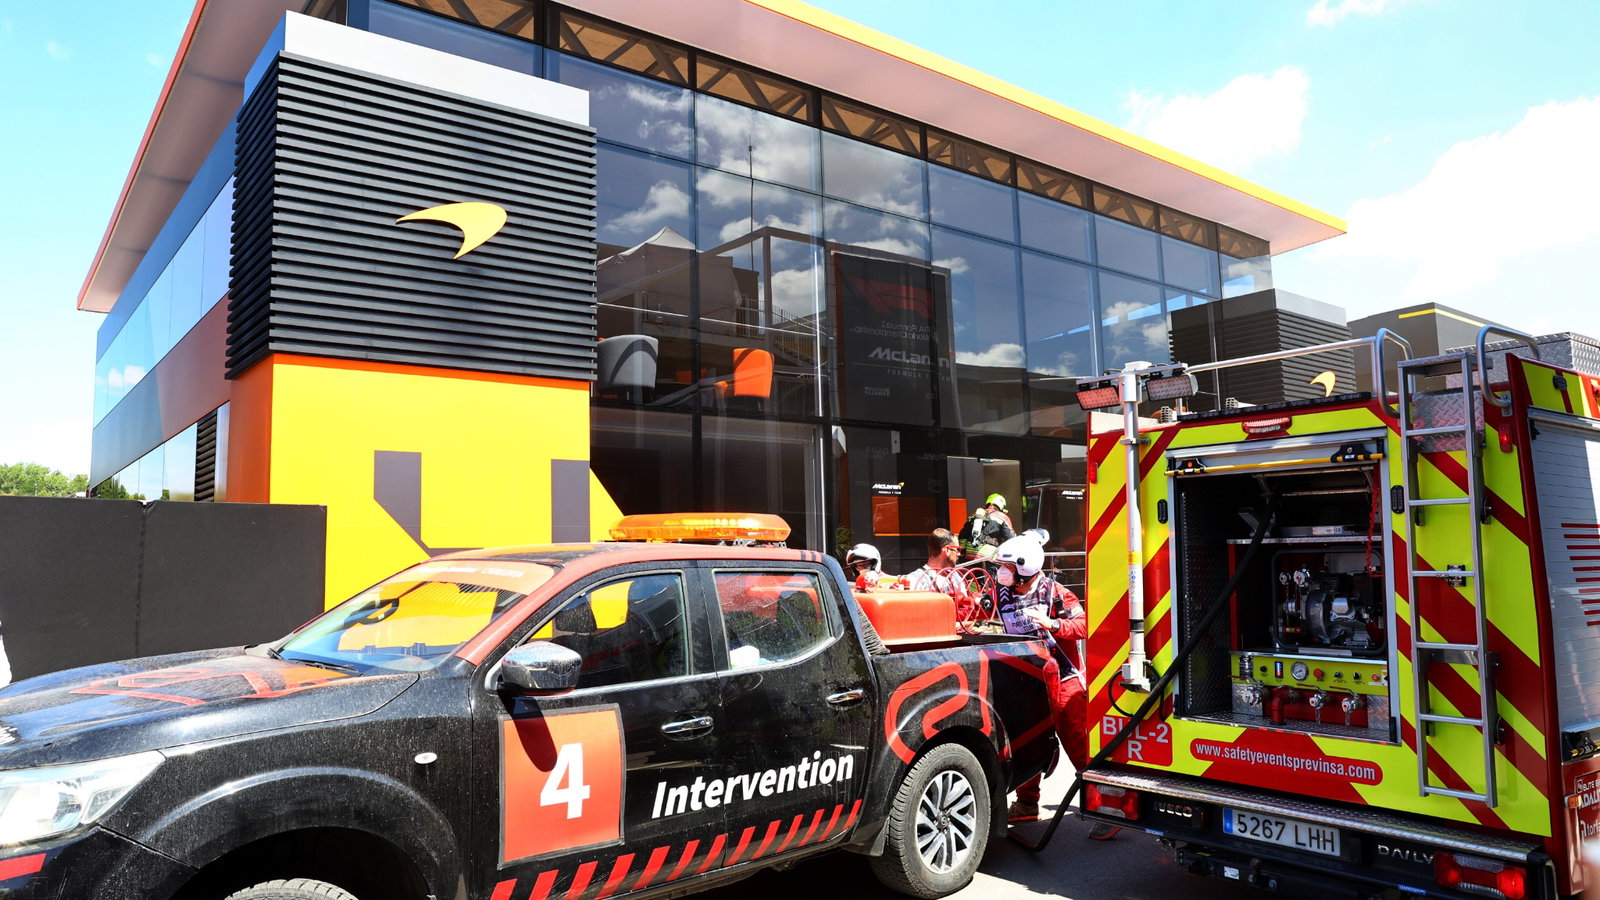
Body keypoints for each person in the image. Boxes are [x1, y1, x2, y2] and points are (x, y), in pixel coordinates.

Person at [989, 533, 1118, 840]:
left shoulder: (1055, 593)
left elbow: (1086, 625)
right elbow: (984, 617)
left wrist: (1053, 624)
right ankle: (1026, 803)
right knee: (1026, 739)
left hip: (1064, 679)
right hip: (1025, 680)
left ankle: (1107, 808)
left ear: (1025, 566)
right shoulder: (1001, 593)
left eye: (1006, 566)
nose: (1001, 572)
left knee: (1077, 742)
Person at [900, 528, 962, 595]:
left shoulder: (955, 576)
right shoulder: (915, 580)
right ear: (947, 550)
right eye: (958, 549)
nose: (959, 554)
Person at [958, 493, 1014, 559]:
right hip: (989, 558)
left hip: (969, 558)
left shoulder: (973, 516)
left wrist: (963, 553)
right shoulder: (1003, 517)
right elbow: (1012, 539)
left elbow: (963, 536)